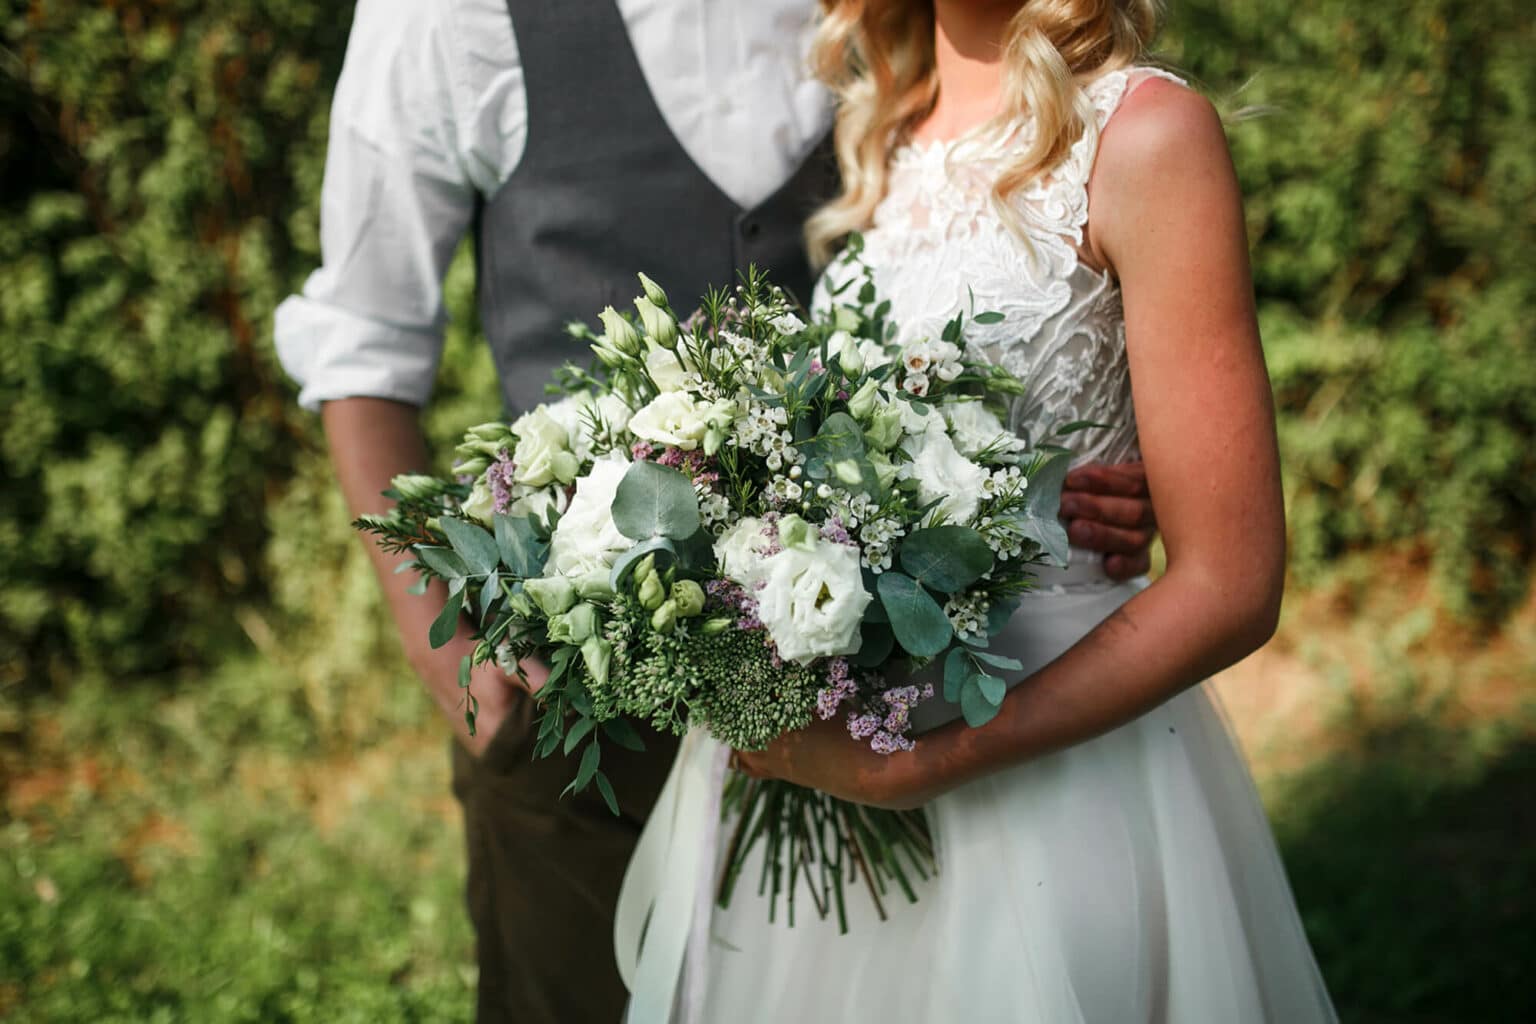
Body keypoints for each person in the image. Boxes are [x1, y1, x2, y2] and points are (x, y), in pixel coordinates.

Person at [274, 1, 1161, 1020]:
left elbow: (1001, 248)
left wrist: (1052, 489)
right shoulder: (453, 16)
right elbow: (364, 341)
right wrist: (441, 646)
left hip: (866, 714)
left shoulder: (880, 14)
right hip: (579, 718)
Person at [619, 1, 1338, 1021]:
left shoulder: (1145, 134)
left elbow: (1234, 582)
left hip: (1052, 775)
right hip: (829, 783)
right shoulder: (883, 131)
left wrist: (923, 765)